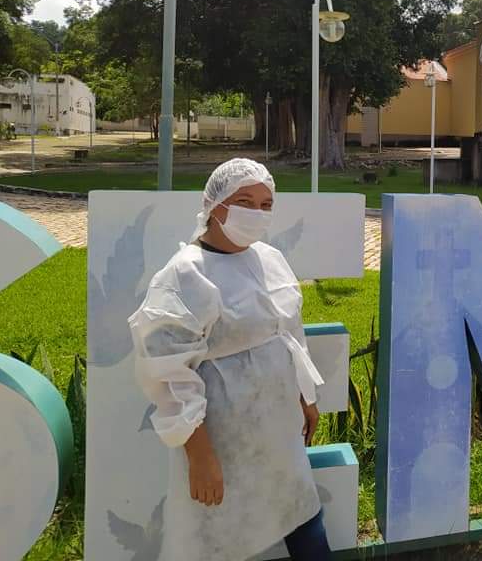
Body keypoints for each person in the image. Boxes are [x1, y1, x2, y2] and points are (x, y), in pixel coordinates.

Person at [128, 158, 332, 561]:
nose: (257, 213)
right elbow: (168, 374)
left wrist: (304, 395)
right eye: (244, 201)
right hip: (223, 437)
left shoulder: (269, 259)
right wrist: (200, 455)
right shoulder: (185, 275)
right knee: (218, 538)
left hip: (279, 429)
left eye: (265, 204)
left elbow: (289, 332)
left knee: (301, 515)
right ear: (213, 204)